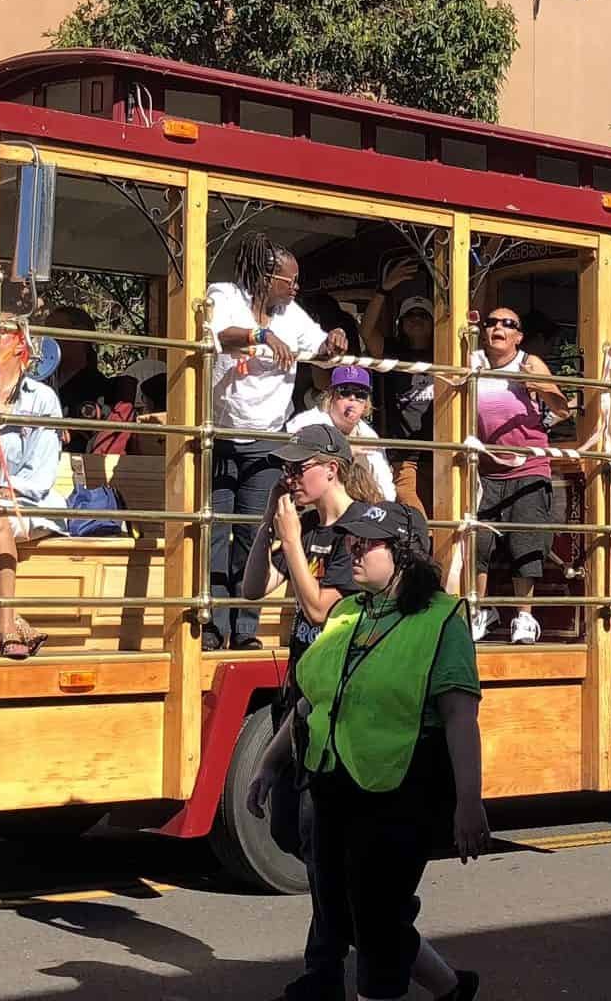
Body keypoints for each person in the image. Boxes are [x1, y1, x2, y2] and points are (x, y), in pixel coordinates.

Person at [244, 500, 485, 1001]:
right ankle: (451, 988)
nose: (351, 551)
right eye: (351, 542)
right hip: (334, 785)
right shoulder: (349, 612)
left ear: (405, 554)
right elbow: (316, 698)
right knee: (343, 914)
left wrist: (469, 802)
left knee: (376, 921)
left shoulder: (441, 621)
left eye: (365, 544)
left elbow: (460, 718)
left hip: (403, 790)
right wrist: (269, 764)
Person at [240, 424, 374, 998]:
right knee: (290, 831)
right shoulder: (307, 531)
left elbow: (320, 610)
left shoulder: (358, 535)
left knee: (319, 842)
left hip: (335, 708)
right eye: (286, 470)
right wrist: (267, 529)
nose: (289, 478)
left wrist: (293, 542)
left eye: (299, 468)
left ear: (332, 469)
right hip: (297, 698)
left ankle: (326, 970)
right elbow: (253, 589)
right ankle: (373, 935)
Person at [208, 234, 349, 651]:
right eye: (290, 280)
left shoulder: (291, 312)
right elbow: (218, 334)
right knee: (215, 533)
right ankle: (213, 625)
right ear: (265, 277)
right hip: (218, 435)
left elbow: (319, 348)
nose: (296, 288)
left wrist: (334, 340)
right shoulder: (225, 295)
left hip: (266, 438)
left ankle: (244, 629)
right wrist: (261, 335)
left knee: (253, 533)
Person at [471, 307, 571, 645]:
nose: (497, 327)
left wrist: (540, 386)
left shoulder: (530, 362)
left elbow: (562, 409)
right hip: (485, 467)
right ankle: (480, 611)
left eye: (507, 324)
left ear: (518, 336)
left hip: (528, 466)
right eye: (491, 323)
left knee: (524, 542)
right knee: (477, 542)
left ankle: (524, 618)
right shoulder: (472, 363)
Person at [0, 330, 68, 659]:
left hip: (28, 503)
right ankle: (15, 620)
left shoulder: (42, 399)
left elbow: (41, 478)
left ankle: (6, 625)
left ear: (20, 346)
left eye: (1, 335)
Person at [362, 262, 438, 515]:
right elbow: (366, 331)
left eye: (423, 315)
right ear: (401, 323)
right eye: (410, 315)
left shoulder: (445, 350)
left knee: (443, 515)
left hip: (441, 450)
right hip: (405, 454)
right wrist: (383, 290)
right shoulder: (393, 351)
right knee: (413, 513)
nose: (416, 320)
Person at [288, 367, 397, 502]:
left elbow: (384, 483)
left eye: (361, 395)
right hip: (314, 503)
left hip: (361, 507)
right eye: (345, 392)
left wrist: (385, 508)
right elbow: (296, 466)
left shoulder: (369, 435)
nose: (352, 399)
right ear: (330, 396)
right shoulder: (306, 423)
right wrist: (345, 453)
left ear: (366, 404)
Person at [40, 304, 123, 453]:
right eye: (46, 333)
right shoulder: (39, 382)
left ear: (81, 336)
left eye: (56, 331)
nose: (48, 340)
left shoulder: (101, 388)